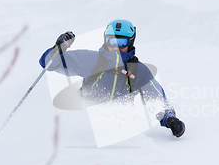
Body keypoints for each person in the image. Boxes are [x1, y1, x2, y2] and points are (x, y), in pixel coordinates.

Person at [39, 19, 185, 138]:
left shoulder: (138, 71)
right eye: (111, 41)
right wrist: (58, 49)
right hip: (84, 124)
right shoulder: (91, 60)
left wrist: (171, 120)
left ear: (131, 42)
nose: (116, 47)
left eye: (121, 43)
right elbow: (47, 63)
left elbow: (157, 99)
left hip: (118, 127)